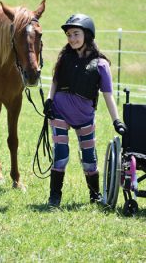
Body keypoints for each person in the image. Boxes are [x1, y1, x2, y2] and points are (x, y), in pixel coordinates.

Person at [43, 13, 127, 207]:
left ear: (87, 34)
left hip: (84, 117)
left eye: (76, 34)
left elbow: (108, 95)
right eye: (69, 35)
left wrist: (117, 120)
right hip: (60, 112)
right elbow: (55, 81)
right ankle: (54, 197)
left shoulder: (101, 65)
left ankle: (95, 195)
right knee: (61, 155)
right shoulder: (64, 58)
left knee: (89, 160)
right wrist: (49, 99)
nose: (72, 39)